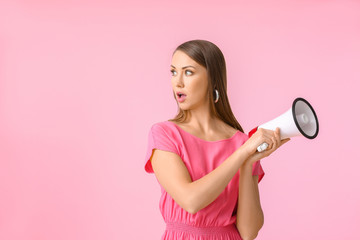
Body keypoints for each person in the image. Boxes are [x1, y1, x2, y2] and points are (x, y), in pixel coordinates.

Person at [144, 39, 290, 240]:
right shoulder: (165, 133)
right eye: (173, 72)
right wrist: (242, 154)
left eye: (188, 72)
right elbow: (191, 200)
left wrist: (248, 163)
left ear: (213, 79)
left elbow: (248, 232)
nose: (177, 82)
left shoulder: (241, 142)